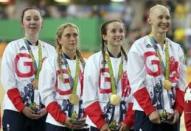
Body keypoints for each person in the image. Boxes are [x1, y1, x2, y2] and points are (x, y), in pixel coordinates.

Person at [127, 4, 186, 131]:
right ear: (149, 20)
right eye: (160, 17)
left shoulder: (177, 49)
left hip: (171, 116)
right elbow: (136, 83)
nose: (165, 21)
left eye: (167, 18)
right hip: (146, 115)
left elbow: (181, 84)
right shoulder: (138, 47)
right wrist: (150, 111)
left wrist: (178, 110)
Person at [1, 7, 56, 131]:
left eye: (36, 18)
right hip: (15, 110)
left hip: (42, 112)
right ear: (22, 23)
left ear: (42, 23)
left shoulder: (51, 50)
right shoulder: (12, 47)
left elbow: (55, 83)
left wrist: (47, 108)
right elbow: (8, 81)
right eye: (28, 18)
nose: (32, 22)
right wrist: (22, 107)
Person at [82, 20, 134, 131]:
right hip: (99, 125)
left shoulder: (132, 61)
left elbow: (135, 96)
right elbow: (89, 97)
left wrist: (128, 122)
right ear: (104, 36)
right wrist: (102, 124)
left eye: (121, 31)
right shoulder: (94, 60)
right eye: (113, 31)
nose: (118, 34)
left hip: (125, 125)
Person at [39, 23, 88, 131]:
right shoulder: (50, 62)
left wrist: (87, 117)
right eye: (68, 35)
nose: (72, 39)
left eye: (75, 35)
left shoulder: (87, 64)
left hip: (82, 123)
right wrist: (62, 119)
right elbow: (46, 94)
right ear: (59, 40)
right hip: (57, 124)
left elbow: (93, 94)